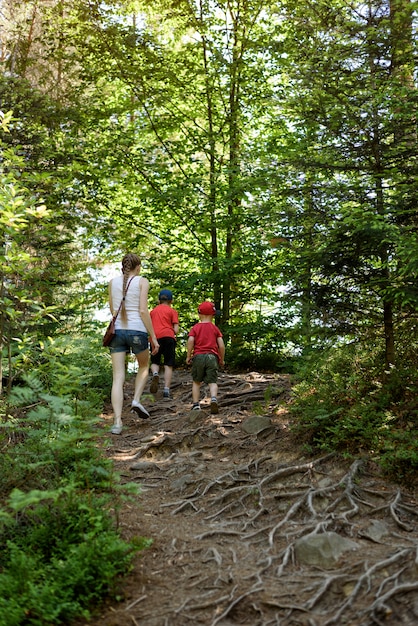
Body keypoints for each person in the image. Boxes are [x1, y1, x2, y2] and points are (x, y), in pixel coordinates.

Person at [107, 253, 159, 434]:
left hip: (117, 333)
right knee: (144, 366)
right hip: (137, 331)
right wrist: (153, 336)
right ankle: (136, 400)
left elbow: (113, 310)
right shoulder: (142, 281)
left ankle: (117, 422)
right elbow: (143, 311)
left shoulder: (112, 283)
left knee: (118, 378)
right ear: (138, 267)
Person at [186, 301, 225, 414]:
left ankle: (196, 404)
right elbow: (221, 346)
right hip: (212, 357)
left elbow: (191, 340)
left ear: (199, 315)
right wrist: (221, 359)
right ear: (212, 315)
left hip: (198, 356)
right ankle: (213, 399)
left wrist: (188, 356)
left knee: (196, 381)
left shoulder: (196, 327)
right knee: (212, 381)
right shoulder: (215, 328)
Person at [149, 289, 179, 399]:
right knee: (168, 364)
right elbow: (176, 329)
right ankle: (166, 390)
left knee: (155, 361)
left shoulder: (152, 312)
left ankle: (155, 374)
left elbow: (149, 326)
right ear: (171, 301)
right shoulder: (172, 311)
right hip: (168, 337)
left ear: (158, 300)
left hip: (155, 338)